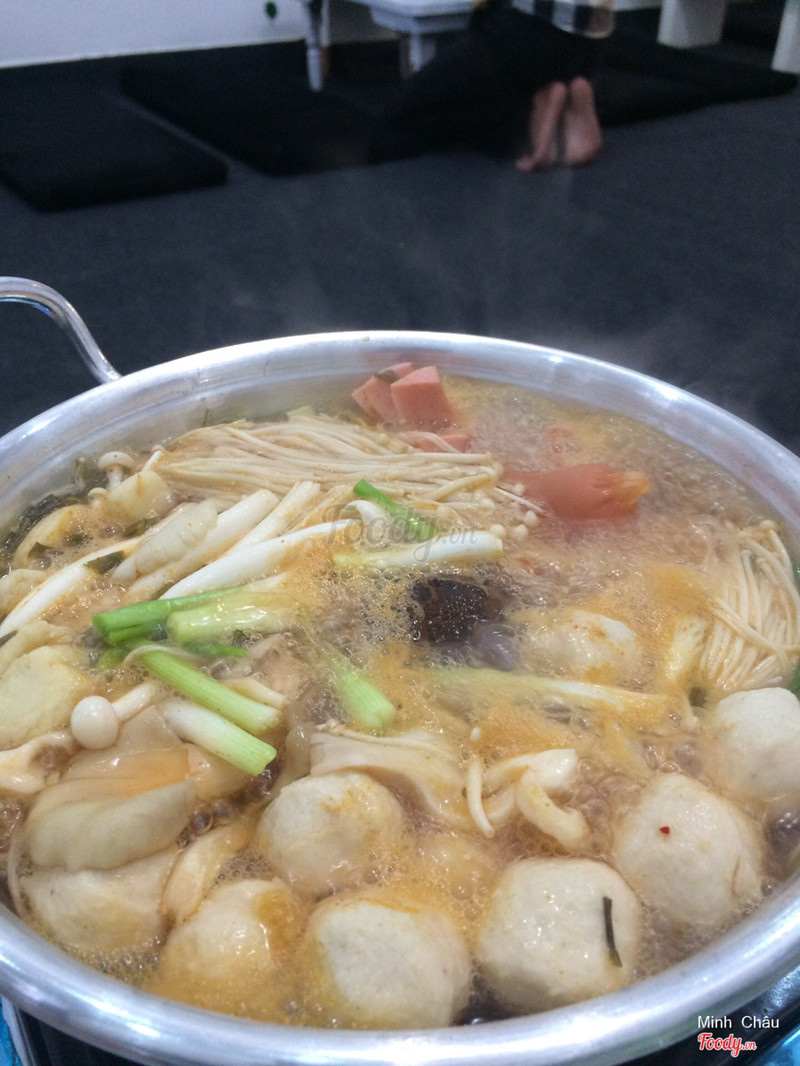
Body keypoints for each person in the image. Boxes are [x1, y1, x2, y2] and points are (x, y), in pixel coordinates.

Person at [369, 0, 613, 170]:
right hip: (592, 43)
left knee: (395, 120)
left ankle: (532, 112)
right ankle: (559, 114)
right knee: (477, 108)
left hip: (532, 31)